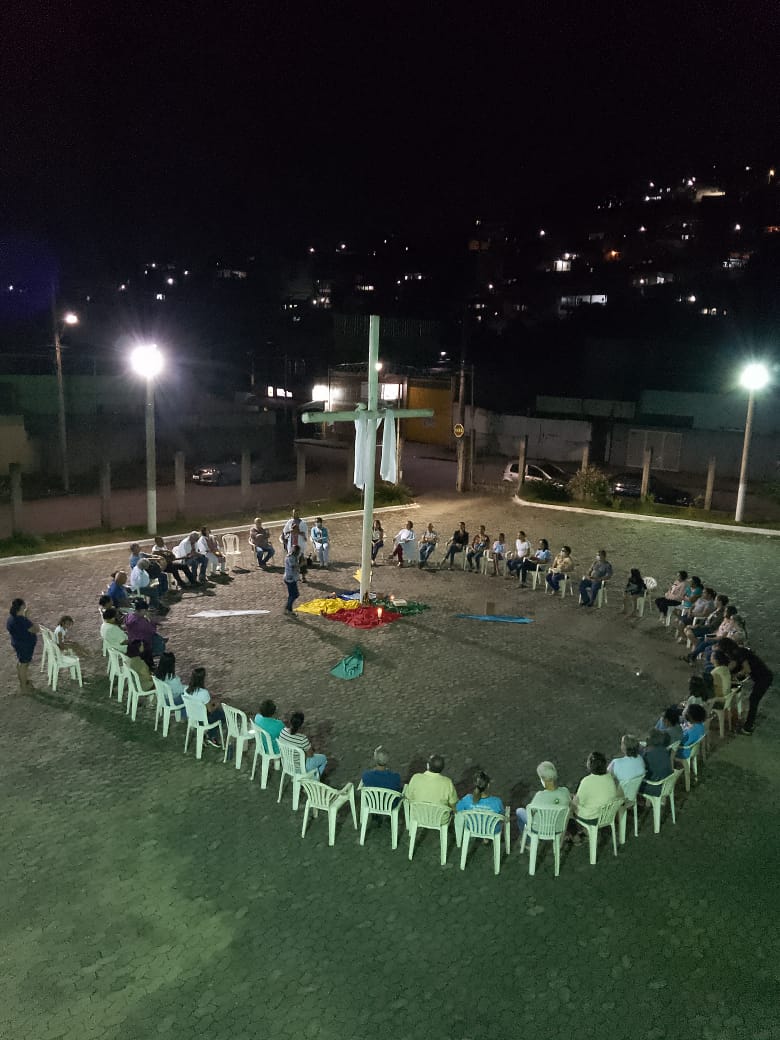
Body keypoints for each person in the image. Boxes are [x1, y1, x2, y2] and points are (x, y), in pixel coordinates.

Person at [570, 751, 619, 840]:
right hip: (607, 814)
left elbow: (576, 803)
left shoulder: (586, 781)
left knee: (569, 805)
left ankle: (577, 835)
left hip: (593, 817)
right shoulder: (609, 777)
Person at [515, 760, 572, 836]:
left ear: (543, 779)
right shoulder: (565, 791)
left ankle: (528, 839)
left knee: (519, 811)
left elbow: (530, 813)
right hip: (558, 829)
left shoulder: (539, 796)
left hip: (539, 829)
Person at [731, 646, 774, 735]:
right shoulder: (749, 656)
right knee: (753, 700)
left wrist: (737, 675)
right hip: (764, 678)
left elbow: (747, 670)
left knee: (753, 700)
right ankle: (749, 724)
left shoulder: (743, 658)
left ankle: (748, 727)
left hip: (763, 679)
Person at [184, 666, 226, 748]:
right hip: (203, 719)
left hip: (193, 717)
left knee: (216, 711)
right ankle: (211, 736)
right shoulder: (204, 692)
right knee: (222, 715)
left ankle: (205, 735)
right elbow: (210, 710)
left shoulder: (186, 690)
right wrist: (217, 705)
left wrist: (212, 702)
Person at [279, 710, 327, 777]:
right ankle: (314, 778)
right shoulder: (302, 739)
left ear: (290, 721)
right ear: (301, 725)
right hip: (300, 768)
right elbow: (310, 755)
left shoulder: (282, 731)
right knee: (323, 758)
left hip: (287, 764)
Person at [6, 598, 39, 693]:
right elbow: (35, 629)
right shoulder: (22, 620)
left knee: (21, 663)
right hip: (25, 646)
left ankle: (24, 681)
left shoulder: (11, 618)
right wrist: (27, 617)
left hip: (18, 644)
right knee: (24, 665)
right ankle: (24, 687)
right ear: (22, 607)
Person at [124, 600, 166, 669]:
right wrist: (150, 619)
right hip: (142, 645)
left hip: (132, 644)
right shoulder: (140, 621)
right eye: (146, 611)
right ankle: (151, 666)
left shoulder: (129, 615)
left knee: (155, 638)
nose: (146, 613)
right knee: (156, 640)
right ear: (143, 610)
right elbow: (152, 630)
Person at [639, 729, 674, 794]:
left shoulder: (648, 755)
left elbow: (640, 769)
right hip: (667, 782)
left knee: (633, 783)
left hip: (657, 787)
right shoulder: (664, 750)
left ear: (648, 740)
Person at [283, 545, 302, 616]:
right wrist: (301, 564)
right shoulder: (290, 557)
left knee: (293, 595)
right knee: (294, 595)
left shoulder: (293, 556)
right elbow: (293, 566)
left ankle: (288, 609)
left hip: (291, 578)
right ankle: (288, 609)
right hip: (290, 579)